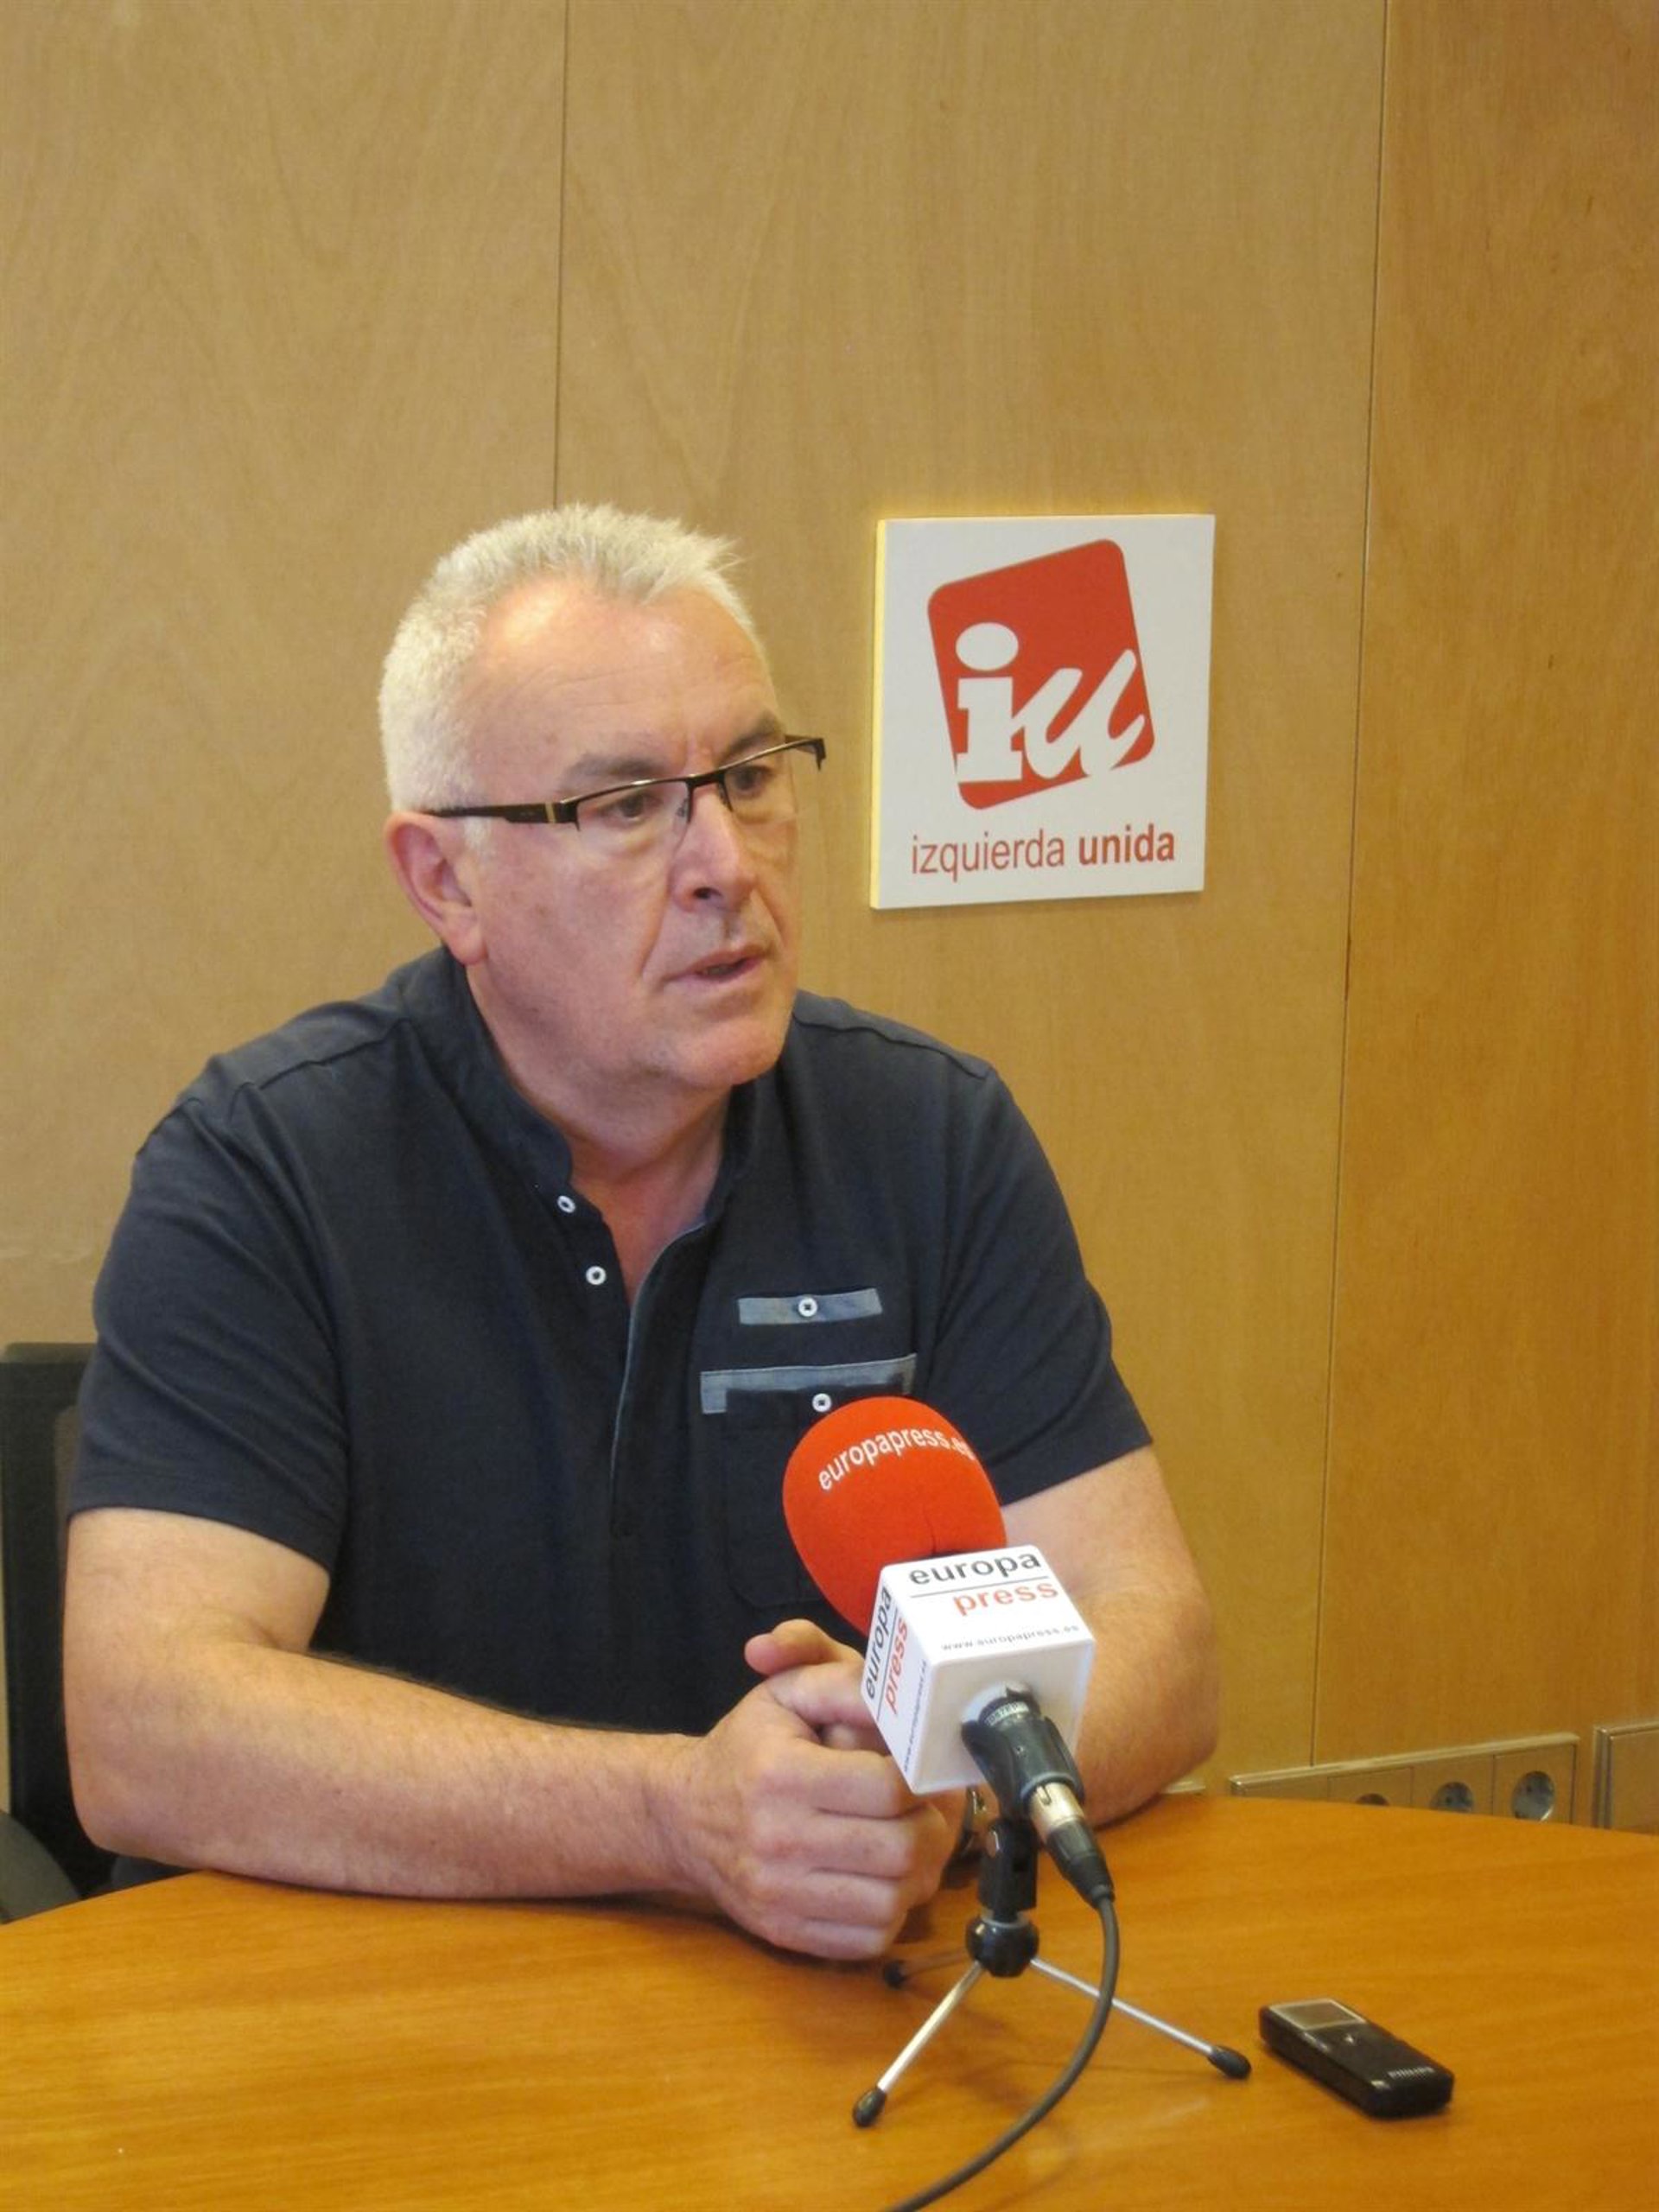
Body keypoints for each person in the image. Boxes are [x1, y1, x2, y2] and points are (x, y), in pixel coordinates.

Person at [64, 505, 1217, 1961]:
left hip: (808, 2007)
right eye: (625, 806)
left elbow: (1156, 1638)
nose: (724, 861)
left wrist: (946, 1791)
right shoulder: (262, 1168)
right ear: (445, 881)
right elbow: (146, 1726)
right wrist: (677, 1819)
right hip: (370, 2010)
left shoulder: (930, 1136)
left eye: (749, 777)